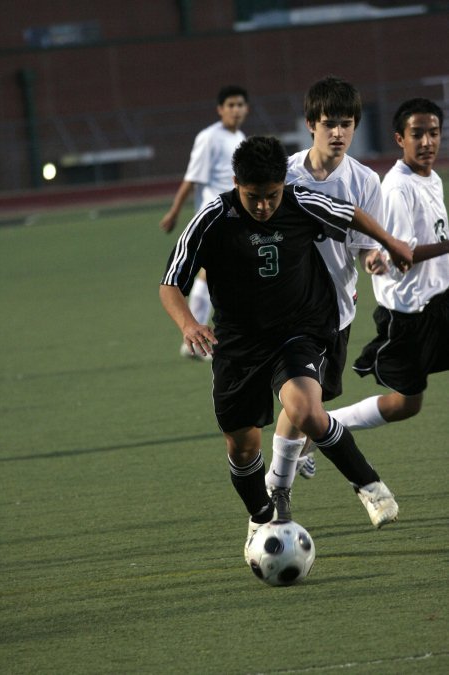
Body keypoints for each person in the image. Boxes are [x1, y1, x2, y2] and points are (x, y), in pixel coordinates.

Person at [159, 136, 413, 566]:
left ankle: (369, 486)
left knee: (307, 411)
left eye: (272, 195)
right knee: (242, 447)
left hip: (299, 331)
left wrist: (391, 243)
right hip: (238, 345)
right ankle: (261, 516)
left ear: (283, 185)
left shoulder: (300, 201)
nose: (263, 206)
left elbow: (351, 215)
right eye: (253, 197)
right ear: (237, 183)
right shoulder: (213, 217)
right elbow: (170, 283)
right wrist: (189, 324)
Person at [265, 76, 387, 493]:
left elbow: (367, 246)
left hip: (336, 307)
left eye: (346, 124)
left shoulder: (366, 182)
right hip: (288, 310)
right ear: (310, 124)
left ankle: (292, 458)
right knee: (303, 401)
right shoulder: (285, 176)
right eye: (329, 123)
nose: (338, 133)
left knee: (310, 405)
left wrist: (374, 259)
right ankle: (277, 491)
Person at [327, 98, 449, 433]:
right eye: (417, 134)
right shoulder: (397, 189)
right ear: (400, 139)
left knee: (407, 403)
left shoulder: (431, 178)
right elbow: (403, 256)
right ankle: (324, 426)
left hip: (440, 303)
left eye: (434, 133)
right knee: (406, 404)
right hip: (411, 315)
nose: (427, 142)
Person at [159, 85, 249, 360]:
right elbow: (192, 178)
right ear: (220, 109)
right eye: (230, 105)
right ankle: (195, 340)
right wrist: (174, 212)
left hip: (236, 215)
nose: (236, 110)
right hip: (215, 215)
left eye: (240, 105)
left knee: (211, 273)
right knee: (213, 272)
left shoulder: (241, 137)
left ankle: (196, 341)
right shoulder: (208, 138)